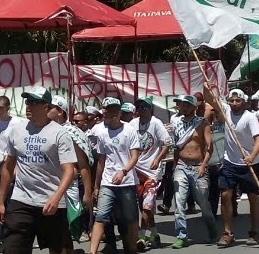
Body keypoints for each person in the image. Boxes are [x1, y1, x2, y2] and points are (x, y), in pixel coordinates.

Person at [0, 86, 77, 253]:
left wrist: (56, 198)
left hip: (51, 203)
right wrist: (1, 202)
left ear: (46, 107)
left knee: (58, 249)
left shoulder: (59, 133)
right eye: (27, 102)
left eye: (34, 102)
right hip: (21, 201)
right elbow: (8, 167)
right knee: (12, 249)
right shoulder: (17, 131)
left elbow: (69, 170)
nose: (29, 106)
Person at [204, 87, 259, 247]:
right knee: (225, 196)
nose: (234, 103)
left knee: (253, 197)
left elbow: (258, 139)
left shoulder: (250, 117)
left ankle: (254, 231)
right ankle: (227, 233)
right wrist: (207, 86)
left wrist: (252, 156)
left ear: (244, 102)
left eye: (238, 100)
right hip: (229, 162)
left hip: (250, 163)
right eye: (231, 100)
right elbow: (209, 98)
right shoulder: (225, 111)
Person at [89, 97, 140, 254]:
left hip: (127, 182)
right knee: (101, 216)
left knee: (130, 218)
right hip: (107, 182)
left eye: (115, 111)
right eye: (109, 111)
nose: (113, 114)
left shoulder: (129, 130)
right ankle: (92, 251)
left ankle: (131, 248)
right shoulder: (102, 133)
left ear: (119, 113)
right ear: (105, 113)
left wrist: (123, 171)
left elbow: (134, 156)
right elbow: (101, 161)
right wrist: (96, 185)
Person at [169, 95, 217, 249]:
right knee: (179, 201)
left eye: (184, 105)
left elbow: (210, 147)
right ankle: (181, 236)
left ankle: (211, 229)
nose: (180, 107)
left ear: (192, 107)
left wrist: (204, 165)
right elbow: (177, 146)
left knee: (203, 203)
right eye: (179, 105)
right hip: (182, 166)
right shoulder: (177, 123)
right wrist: (175, 165)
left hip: (198, 166)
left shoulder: (203, 123)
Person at [129, 96, 172, 250]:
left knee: (147, 206)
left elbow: (166, 143)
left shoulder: (156, 123)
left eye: (145, 107)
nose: (142, 110)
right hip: (136, 171)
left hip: (152, 172)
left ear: (151, 108)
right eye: (139, 107)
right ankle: (154, 234)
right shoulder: (133, 124)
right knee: (143, 206)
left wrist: (158, 159)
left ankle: (141, 238)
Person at [49, 96, 94, 243]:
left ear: (60, 112)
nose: (47, 110)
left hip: (69, 188)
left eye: (51, 108)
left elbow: (83, 165)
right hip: (49, 186)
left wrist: (88, 193)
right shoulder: (45, 130)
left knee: (66, 230)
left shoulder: (71, 132)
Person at [0, 95, 21, 253]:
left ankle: (5, 238)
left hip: (9, 167)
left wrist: (15, 169)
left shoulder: (16, 124)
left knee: (6, 203)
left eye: (0, 108)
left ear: (7, 108)